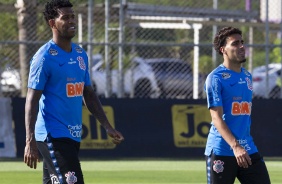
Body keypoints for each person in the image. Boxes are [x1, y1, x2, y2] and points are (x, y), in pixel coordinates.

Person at [24, 0, 124, 183]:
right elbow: (32, 99)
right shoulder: (44, 57)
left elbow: (89, 94)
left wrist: (107, 126)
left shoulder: (80, 53)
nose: (72, 21)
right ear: (52, 23)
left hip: (72, 134)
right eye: (65, 18)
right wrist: (29, 140)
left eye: (73, 17)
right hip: (52, 135)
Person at [204, 26, 270, 184]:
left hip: (247, 148)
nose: (241, 46)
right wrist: (235, 146)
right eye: (235, 43)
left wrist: (241, 146)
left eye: (242, 42)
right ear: (223, 50)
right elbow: (216, 118)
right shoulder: (215, 78)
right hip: (223, 150)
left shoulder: (247, 76)